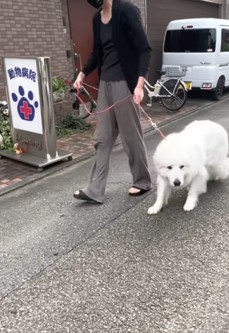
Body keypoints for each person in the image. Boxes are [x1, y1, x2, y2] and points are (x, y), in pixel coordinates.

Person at [72, 0, 152, 204]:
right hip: (105, 85)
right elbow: (97, 53)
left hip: (125, 83)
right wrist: (82, 74)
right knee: (102, 138)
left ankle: (142, 181)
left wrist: (139, 85)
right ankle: (95, 190)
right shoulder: (96, 18)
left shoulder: (127, 10)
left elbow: (144, 49)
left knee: (130, 135)